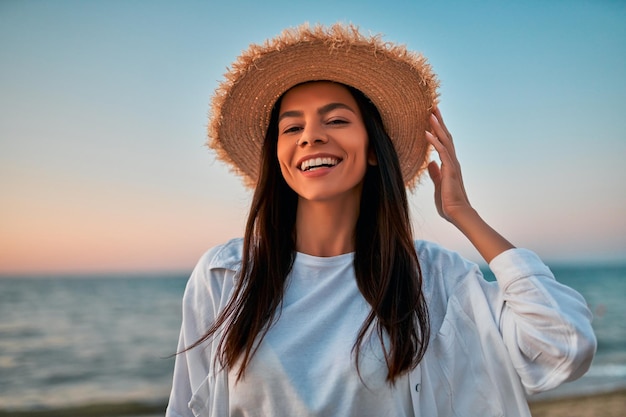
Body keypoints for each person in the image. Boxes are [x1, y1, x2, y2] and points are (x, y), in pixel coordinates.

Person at [166, 23, 596, 417]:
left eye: (336, 120)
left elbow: (561, 347)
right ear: (277, 157)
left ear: (373, 149)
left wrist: (464, 215)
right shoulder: (226, 276)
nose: (311, 136)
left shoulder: (434, 278)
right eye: (291, 128)